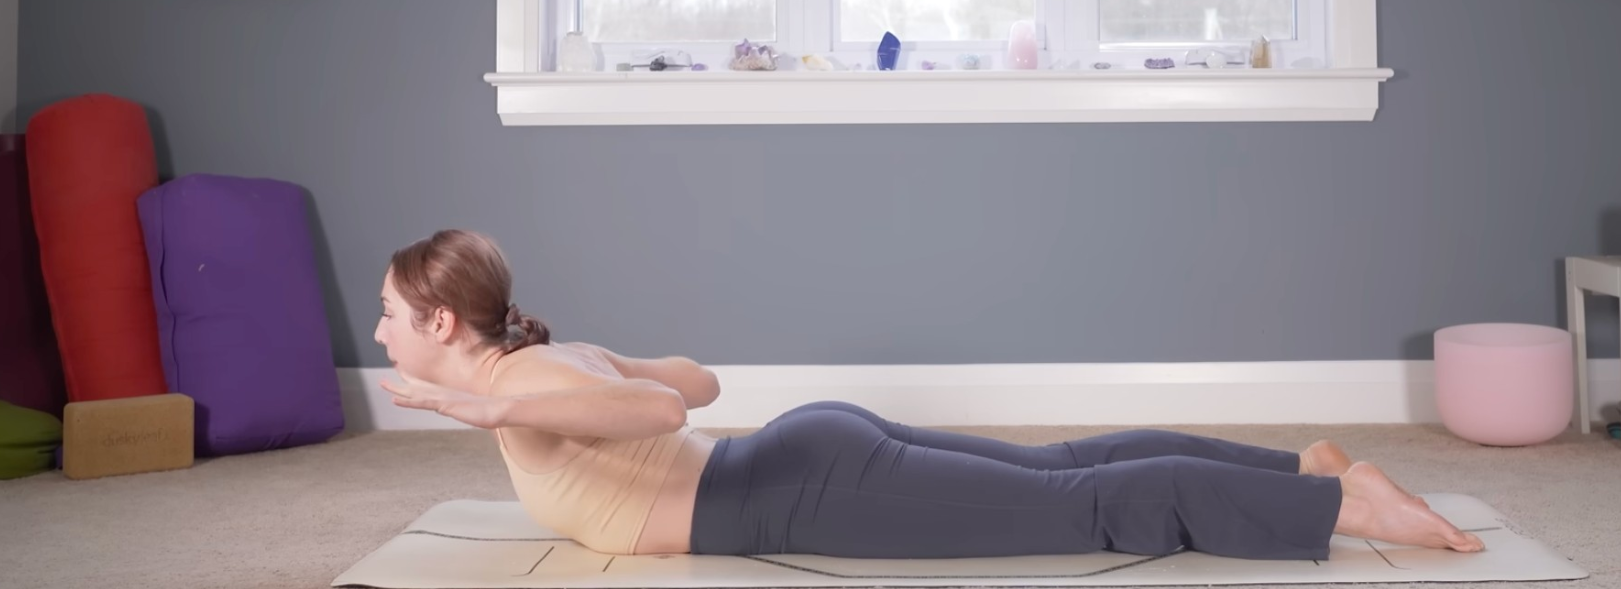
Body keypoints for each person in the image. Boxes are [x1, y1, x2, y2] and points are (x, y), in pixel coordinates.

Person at [377, 230, 1484, 560]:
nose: (379, 331)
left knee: (1082, 508)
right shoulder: (546, 366)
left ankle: (1341, 508)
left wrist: (493, 408)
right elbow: (696, 378)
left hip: (793, 494)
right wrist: (607, 371)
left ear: (439, 323)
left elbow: (671, 413)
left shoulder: (516, 386)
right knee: (1063, 469)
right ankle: (1306, 467)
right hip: (800, 453)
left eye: (388, 314)